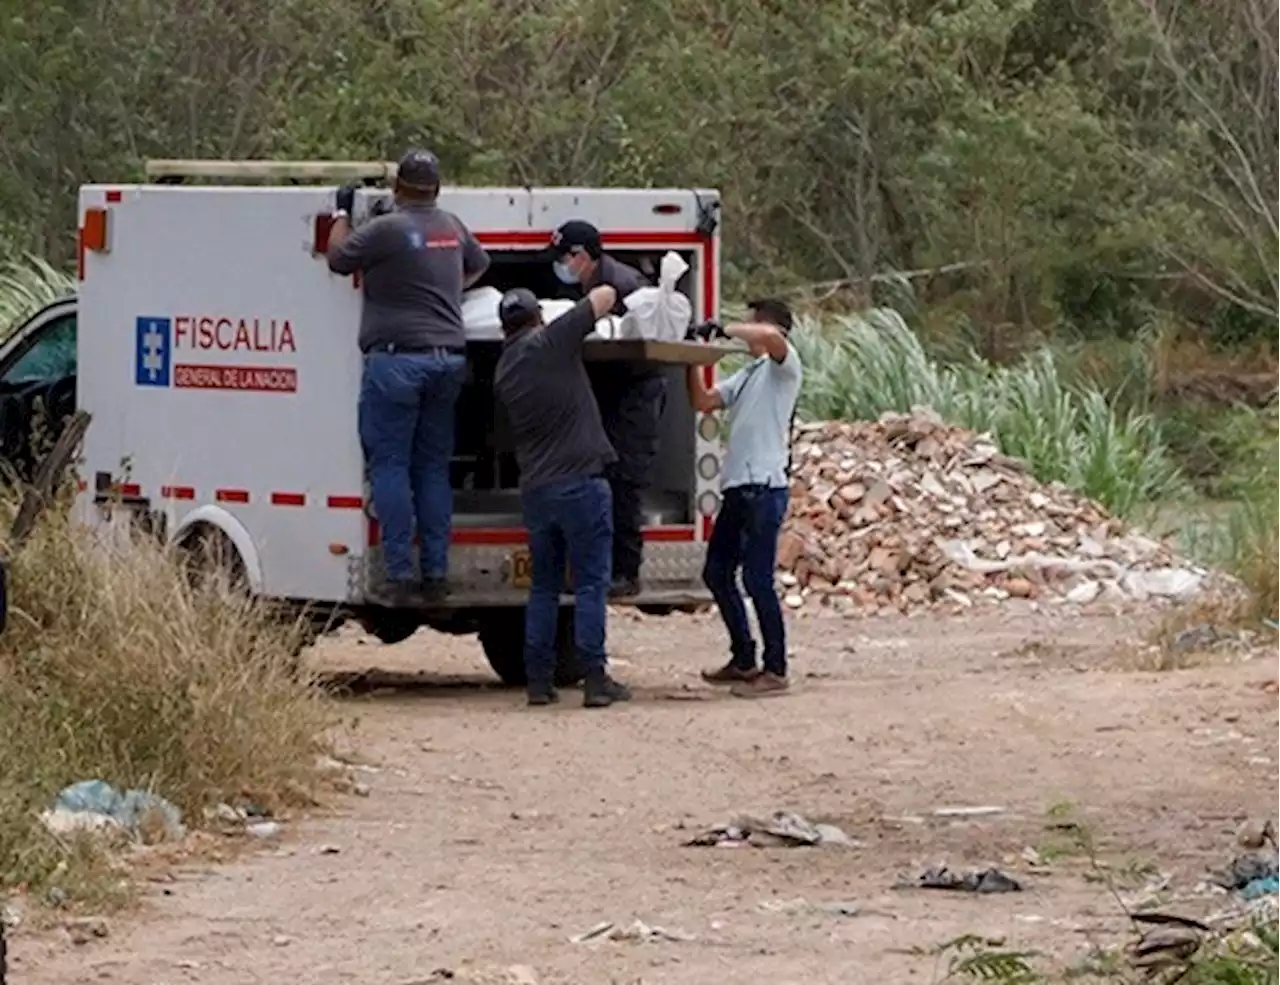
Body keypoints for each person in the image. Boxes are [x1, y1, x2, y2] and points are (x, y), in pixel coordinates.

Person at [326, 149, 490, 606]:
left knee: (391, 465)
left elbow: (338, 258)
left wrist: (341, 210)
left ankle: (400, 572)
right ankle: (436, 572)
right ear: (437, 188)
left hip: (397, 361)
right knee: (432, 468)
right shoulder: (452, 227)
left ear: (398, 187)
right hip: (448, 360)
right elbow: (480, 264)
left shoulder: (387, 229)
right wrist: (447, 289)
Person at [493, 284, 633, 709]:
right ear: (537, 317)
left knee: (544, 587)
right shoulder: (551, 341)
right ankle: (594, 678)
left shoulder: (504, 370)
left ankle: (538, 682)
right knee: (590, 584)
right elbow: (605, 296)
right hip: (580, 484)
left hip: (537, 491)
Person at [685, 298, 803, 698]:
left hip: (765, 486)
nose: (749, 330)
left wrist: (724, 329)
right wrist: (690, 358)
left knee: (757, 579)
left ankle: (776, 668)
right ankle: (744, 657)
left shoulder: (784, 369)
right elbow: (703, 402)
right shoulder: (750, 375)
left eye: (753, 323)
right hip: (739, 486)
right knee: (717, 573)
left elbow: (770, 337)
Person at [550, 219, 664, 599]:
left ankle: (626, 571)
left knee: (625, 482)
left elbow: (642, 345)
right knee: (605, 481)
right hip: (612, 396)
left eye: (565, 258)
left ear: (581, 255)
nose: (562, 266)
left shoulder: (624, 286)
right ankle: (603, 565)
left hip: (633, 396)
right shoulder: (595, 282)